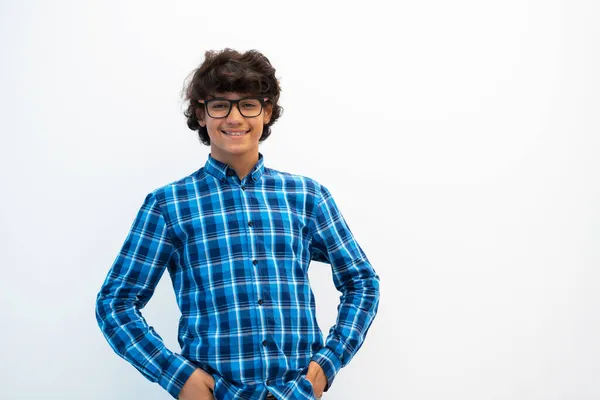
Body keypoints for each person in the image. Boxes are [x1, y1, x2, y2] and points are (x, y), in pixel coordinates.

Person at [95, 48, 380, 400]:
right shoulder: (169, 205)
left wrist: (329, 362)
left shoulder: (307, 196)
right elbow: (115, 302)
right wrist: (177, 376)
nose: (234, 118)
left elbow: (362, 281)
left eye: (248, 104)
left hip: (295, 393)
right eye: (219, 105)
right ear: (201, 114)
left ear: (267, 111)